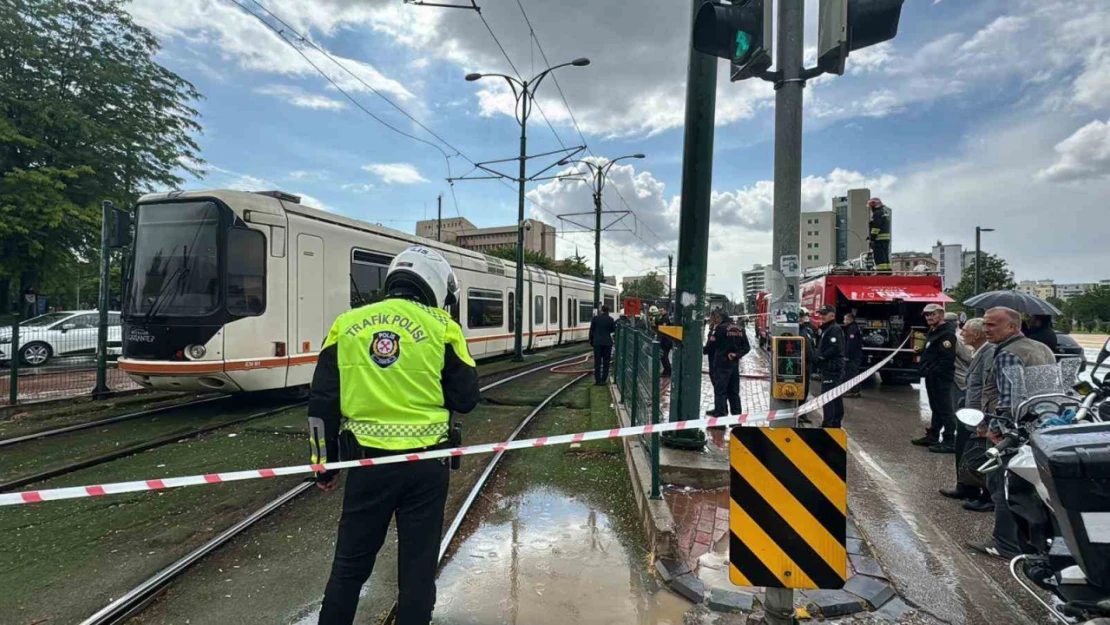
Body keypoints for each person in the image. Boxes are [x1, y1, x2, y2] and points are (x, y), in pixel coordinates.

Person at [309, 246, 481, 625]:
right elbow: (466, 399)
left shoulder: (346, 325)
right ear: (434, 284)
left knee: (349, 567)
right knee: (417, 572)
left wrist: (325, 465)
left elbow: (321, 404)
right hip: (426, 467)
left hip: (368, 465)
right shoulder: (443, 327)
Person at [966, 306, 1057, 560]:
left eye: (993, 325)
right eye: (984, 324)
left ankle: (1005, 544)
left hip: (1010, 435)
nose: (986, 329)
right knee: (1029, 490)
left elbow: (1008, 401)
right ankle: (1031, 542)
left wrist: (997, 432)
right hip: (1038, 430)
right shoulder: (1042, 349)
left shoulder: (1007, 353)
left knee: (1002, 488)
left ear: (1012, 327)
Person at [939, 318, 995, 510]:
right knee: (964, 448)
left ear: (977, 334)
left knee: (979, 452)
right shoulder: (978, 351)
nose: (961, 333)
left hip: (979, 413)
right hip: (970, 410)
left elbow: (987, 386)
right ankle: (966, 487)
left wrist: (982, 417)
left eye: (965, 330)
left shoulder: (989, 352)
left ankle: (984, 494)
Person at [911, 303, 958, 452]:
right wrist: (922, 351)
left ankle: (949, 441)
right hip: (931, 375)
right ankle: (933, 435)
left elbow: (946, 359)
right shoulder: (934, 331)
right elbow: (934, 350)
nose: (929, 317)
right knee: (935, 408)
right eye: (927, 315)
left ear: (942, 315)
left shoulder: (947, 334)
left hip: (940, 377)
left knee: (945, 409)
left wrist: (934, 371)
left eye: (932, 314)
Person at [704, 310, 750, 416]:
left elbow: (712, 345)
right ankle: (736, 419)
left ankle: (720, 417)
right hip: (734, 365)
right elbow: (746, 347)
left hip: (721, 364)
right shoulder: (740, 328)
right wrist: (736, 355)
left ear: (720, 318)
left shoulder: (720, 328)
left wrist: (705, 349)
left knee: (720, 391)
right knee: (734, 392)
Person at [815, 305, 846, 427]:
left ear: (832, 315)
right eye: (821, 314)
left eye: (824, 314)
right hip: (830, 367)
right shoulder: (827, 328)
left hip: (832, 367)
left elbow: (835, 347)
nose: (821, 316)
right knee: (834, 395)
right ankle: (835, 422)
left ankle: (829, 424)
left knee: (828, 396)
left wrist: (822, 356)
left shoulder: (834, 329)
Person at [948, 312, 973, 410]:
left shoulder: (958, 338)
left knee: (958, 408)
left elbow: (969, 357)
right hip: (951, 378)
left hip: (959, 379)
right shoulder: (952, 337)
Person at [589, 304, 616, 386]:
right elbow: (612, 330)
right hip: (607, 342)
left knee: (597, 361)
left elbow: (591, 331)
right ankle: (604, 380)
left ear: (601, 310)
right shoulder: (611, 319)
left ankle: (597, 380)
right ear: (608, 311)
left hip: (597, 342)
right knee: (606, 362)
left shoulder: (595, 318)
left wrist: (591, 341)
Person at [867, 198, 892, 273]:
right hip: (886, 238)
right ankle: (887, 271)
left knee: (879, 256)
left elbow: (876, 227)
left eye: (871, 207)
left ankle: (881, 272)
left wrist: (872, 238)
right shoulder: (885, 212)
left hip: (879, 238)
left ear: (875, 206)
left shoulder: (877, 213)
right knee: (885, 255)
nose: (871, 209)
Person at [842, 313, 863, 398]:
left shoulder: (852, 329)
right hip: (856, 355)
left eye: (845, 319)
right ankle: (854, 390)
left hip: (852, 356)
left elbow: (851, 344)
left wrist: (847, 355)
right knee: (853, 372)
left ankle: (854, 391)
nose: (844, 321)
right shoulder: (855, 327)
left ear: (849, 320)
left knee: (851, 373)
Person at [657, 307, 674, 378]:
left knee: (664, 356)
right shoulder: (664, 317)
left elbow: (664, 328)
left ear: (665, 310)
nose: (660, 312)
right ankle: (666, 370)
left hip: (666, 340)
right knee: (663, 356)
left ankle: (668, 371)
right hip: (666, 339)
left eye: (662, 310)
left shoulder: (665, 318)